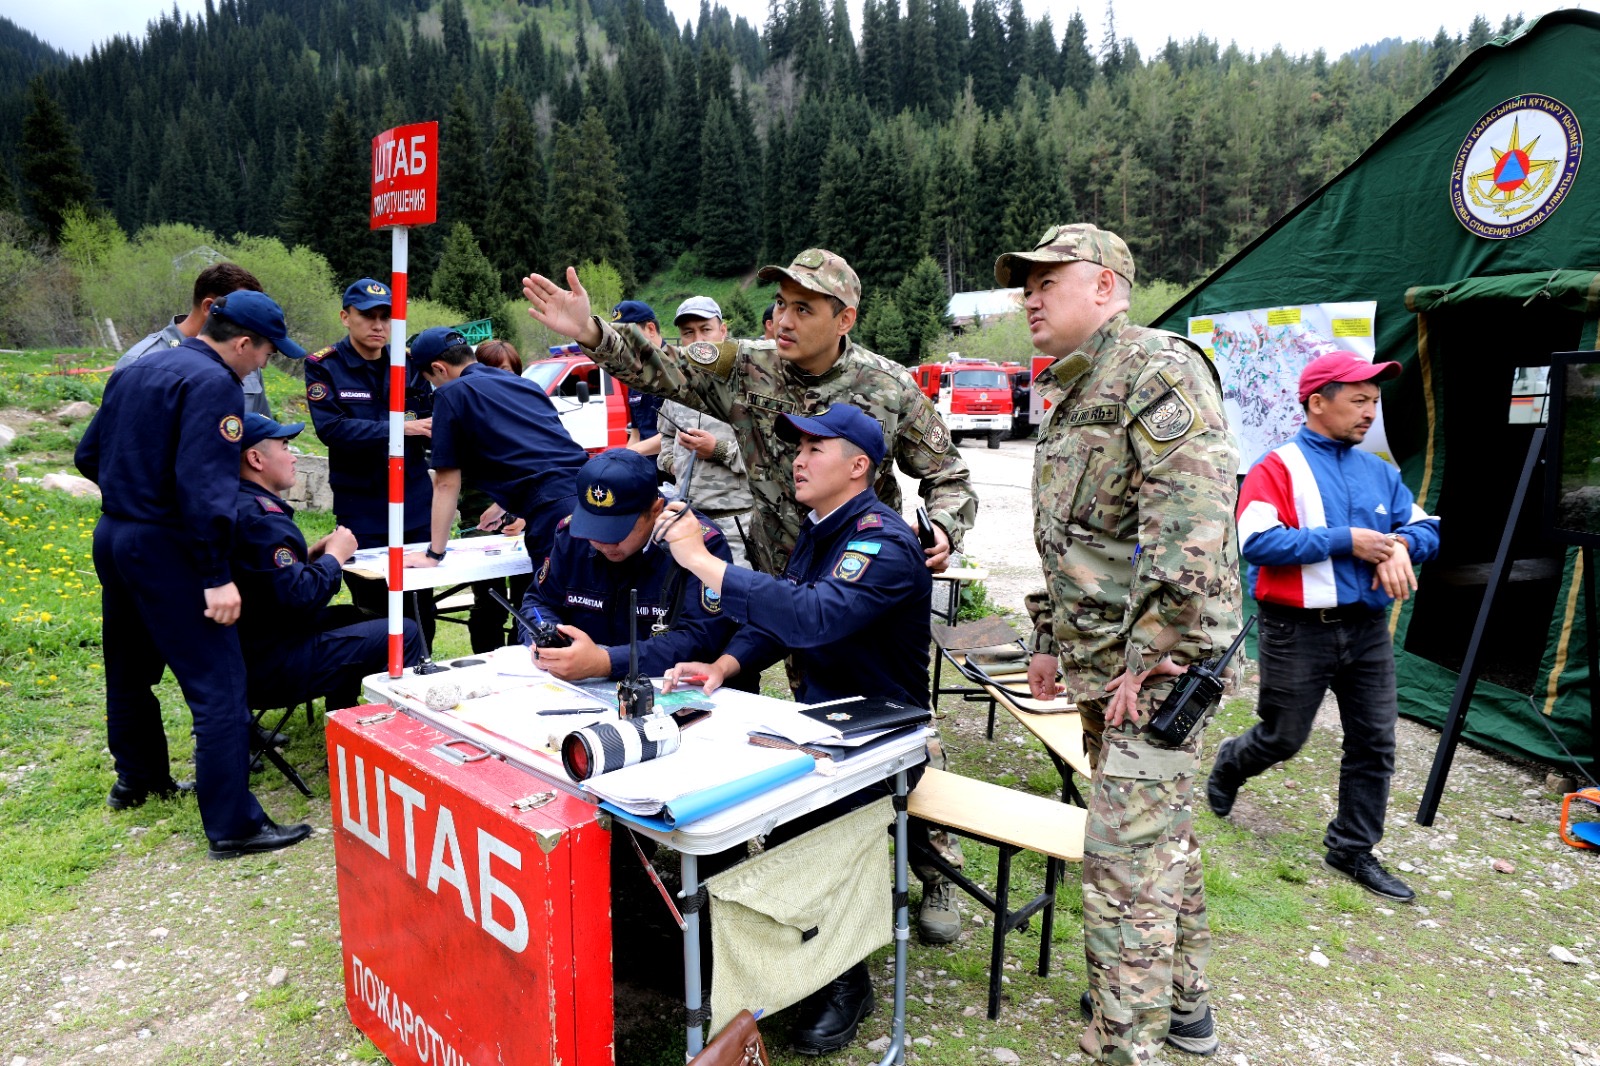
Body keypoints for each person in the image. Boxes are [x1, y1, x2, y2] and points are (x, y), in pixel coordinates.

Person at [998, 223, 1241, 1063]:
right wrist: (1043, 636)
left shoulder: (1155, 368)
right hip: (1107, 668)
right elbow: (1069, 538)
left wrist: (1149, 654)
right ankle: (1187, 1007)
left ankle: (1120, 1047)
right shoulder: (1073, 389)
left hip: (1161, 673)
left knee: (1120, 871)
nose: (1029, 295)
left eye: (1047, 279)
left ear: (1105, 286)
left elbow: (1192, 522)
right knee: (1156, 839)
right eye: (1023, 283)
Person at [653, 403, 939, 1056]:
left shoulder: (880, 541)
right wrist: (723, 665)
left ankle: (844, 980)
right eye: (797, 447)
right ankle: (724, 944)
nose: (799, 458)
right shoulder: (822, 528)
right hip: (822, 726)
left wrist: (708, 565)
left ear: (859, 465)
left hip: (883, 741)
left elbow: (812, 618)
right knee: (720, 806)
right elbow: (784, 610)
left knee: (803, 831)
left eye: (816, 447)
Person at [521, 248, 978, 579]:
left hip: (860, 570)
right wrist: (589, 330)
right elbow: (661, 366)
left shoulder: (889, 387)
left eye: (803, 309)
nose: (783, 320)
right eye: (780, 303)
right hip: (778, 567)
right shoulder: (744, 365)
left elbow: (948, 475)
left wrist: (941, 526)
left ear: (845, 320)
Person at [75, 290, 314, 860]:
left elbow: (88, 454)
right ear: (241, 342)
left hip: (114, 534)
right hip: (168, 545)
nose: (264, 364)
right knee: (219, 685)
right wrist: (214, 573)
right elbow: (206, 487)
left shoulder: (141, 366)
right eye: (265, 353)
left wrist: (131, 492)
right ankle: (234, 825)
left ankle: (138, 779)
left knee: (130, 670)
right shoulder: (214, 384)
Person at [1207, 351, 1440, 903]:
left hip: (1367, 628)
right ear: (1317, 402)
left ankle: (1352, 849)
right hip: (1296, 628)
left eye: (1375, 403)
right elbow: (1257, 542)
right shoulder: (1277, 466)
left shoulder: (1381, 471)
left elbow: (1428, 527)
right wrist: (1349, 540)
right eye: (1359, 401)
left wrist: (1402, 543)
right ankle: (1231, 762)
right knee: (1285, 736)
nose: (1369, 414)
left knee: (1376, 741)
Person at [232, 413, 424, 712]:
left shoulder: (239, 505)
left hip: (248, 652)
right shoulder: (261, 519)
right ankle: (399, 727)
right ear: (256, 459)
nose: (292, 458)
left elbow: (265, 583)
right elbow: (300, 599)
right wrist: (335, 557)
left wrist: (309, 557)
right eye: (284, 447)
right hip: (271, 666)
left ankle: (343, 715)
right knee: (404, 631)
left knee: (355, 616)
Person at [522, 449, 737, 681]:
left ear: (656, 510)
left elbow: (703, 637)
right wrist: (545, 635)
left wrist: (607, 662)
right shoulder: (570, 538)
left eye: (617, 532)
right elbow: (539, 601)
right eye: (593, 529)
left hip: (667, 689)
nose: (604, 543)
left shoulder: (697, 544)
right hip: (582, 688)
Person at [402, 328, 589, 582]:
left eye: (430, 380)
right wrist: (502, 506)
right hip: (593, 498)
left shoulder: (451, 393)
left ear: (439, 369)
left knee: (553, 611)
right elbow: (544, 456)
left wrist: (434, 554)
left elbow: (447, 483)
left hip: (551, 515)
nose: (434, 386)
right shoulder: (525, 384)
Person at [304, 278, 435, 639]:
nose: (378, 325)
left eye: (385, 316)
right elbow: (333, 430)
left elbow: (429, 419)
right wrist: (400, 428)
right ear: (346, 317)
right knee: (372, 608)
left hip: (414, 503)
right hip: (361, 505)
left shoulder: (407, 364)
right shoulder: (325, 366)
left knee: (421, 607)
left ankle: (418, 680)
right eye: (367, 316)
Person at [653, 296, 755, 567]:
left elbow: (771, 458)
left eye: (705, 329)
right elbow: (665, 433)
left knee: (733, 601)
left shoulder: (747, 387)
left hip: (735, 524)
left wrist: (718, 450)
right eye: (688, 332)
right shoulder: (678, 387)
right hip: (688, 520)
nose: (697, 339)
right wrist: (673, 464)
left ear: (723, 331)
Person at [115, 262, 271, 417]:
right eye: (243, 315)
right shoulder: (139, 362)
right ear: (209, 308)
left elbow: (263, 430)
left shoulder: (244, 358)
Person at [457, 338, 533, 651]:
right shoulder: (463, 413)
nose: (499, 380)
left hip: (528, 523)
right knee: (487, 604)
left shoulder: (532, 411)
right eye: (490, 371)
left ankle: (524, 665)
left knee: (527, 603)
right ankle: (485, 667)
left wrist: (525, 516)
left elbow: (546, 473)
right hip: (479, 524)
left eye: (506, 371)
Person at [612, 300, 665, 450]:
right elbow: (636, 435)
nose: (621, 344)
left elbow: (678, 436)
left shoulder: (679, 371)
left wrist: (628, 454)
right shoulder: (634, 375)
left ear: (651, 329)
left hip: (676, 468)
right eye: (617, 338)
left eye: (626, 336)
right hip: (646, 466)